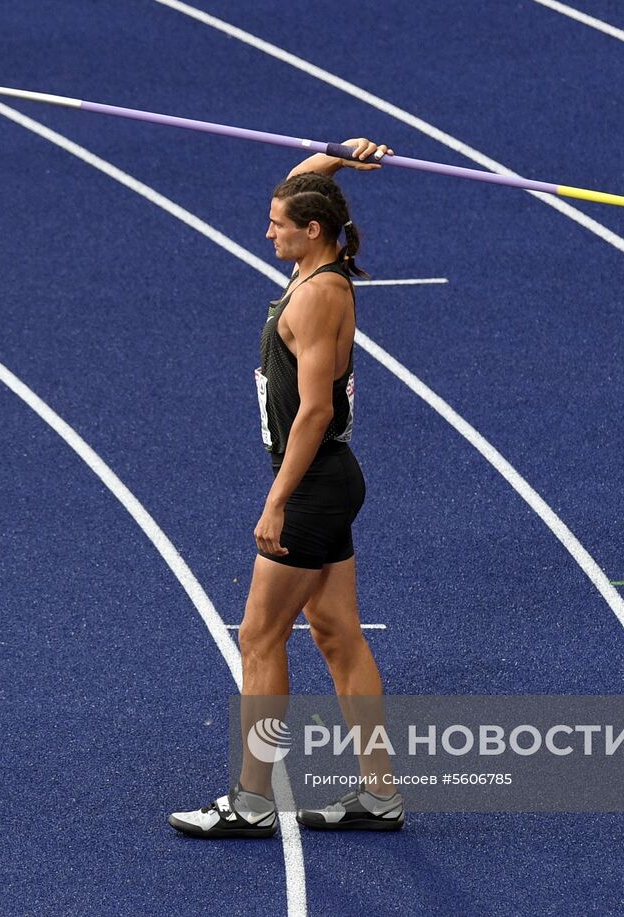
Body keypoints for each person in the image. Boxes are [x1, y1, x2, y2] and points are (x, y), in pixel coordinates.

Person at [170, 138, 404, 838]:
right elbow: (302, 183)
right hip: (329, 480)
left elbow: (316, 411)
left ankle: (252, 798)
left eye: (277, 223)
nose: (266, 230)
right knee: (337, 635)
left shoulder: (317, 299)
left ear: (311, 231)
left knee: (261, 638)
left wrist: (277, 500)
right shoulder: (320, 263)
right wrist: (341, 152)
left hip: (312, 484)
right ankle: (380, 792)